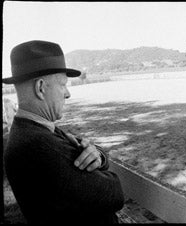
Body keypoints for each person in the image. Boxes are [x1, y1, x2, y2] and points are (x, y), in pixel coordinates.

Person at [2, 40, 125, 224]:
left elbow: (91, 153)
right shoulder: (38, 144)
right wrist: (104, 167)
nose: (67, 93)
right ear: (41, 88)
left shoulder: (31, 130)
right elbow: (115, 193)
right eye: (63, 84)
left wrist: (98, 155)